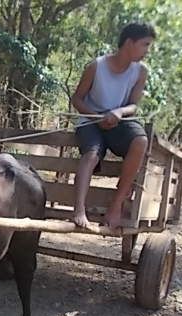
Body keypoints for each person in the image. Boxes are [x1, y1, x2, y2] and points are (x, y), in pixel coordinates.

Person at [71, 22, 156, 228]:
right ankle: (79, 209)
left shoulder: (141, 71)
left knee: (140, 141)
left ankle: (116, 205)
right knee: (91, 155)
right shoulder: (96, 66)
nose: (147, 51)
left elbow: (133, 106)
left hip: (119, 120)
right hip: (90, 120)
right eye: (145, 45)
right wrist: (96, 117)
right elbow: (77, 99)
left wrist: (118, 112)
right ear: (129, 42)